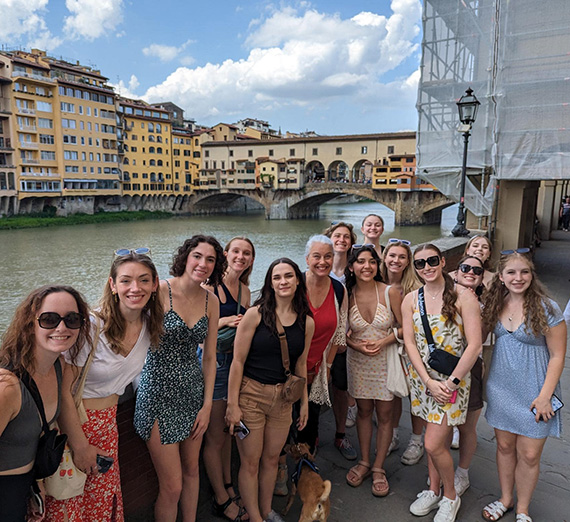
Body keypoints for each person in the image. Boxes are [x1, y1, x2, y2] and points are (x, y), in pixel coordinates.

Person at [46, 249, 164, 521]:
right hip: (76, 427)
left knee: (100, 504)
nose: (135, 288)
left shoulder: (150, 325)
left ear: (155, 284)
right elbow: (64, 389)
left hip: (108, 426)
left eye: (144, 280)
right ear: (113, 285)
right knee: (69, 505)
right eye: (126, 280)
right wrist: (80, 446)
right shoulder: (90, 326)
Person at [134, 235, 223, 522]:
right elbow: (124, 316)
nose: (203, 264)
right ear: (185, 257)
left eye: (210, 259)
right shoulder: (159, 291)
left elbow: (209, 358)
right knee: (171, 486)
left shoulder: (212, 301)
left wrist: (207, 405)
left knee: (192, 470)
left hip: (193, 395)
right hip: (157, 394)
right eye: (198, 256)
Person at [225, 258, 314, 522]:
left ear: (298, 280)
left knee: (272, 459)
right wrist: (232, 405)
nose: (283, 282)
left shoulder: (306, 322)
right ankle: (254, 517)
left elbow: (300, 365)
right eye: (277, 277)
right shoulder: (255, 314)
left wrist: (304, 403)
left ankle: (265, 511)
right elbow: (237, 361)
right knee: (250, 462)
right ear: (270, 283)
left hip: (284, 401)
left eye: (288, 276)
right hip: (251, 395)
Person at [481, 250, 566, 522]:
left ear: (532, 274)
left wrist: (545, 397)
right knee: (504, 448)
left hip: (535, 392)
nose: (519, 278)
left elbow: (557, 356)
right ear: (501, 277)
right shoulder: (495, 303)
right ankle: (506, 499)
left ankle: (523, 509)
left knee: (529, 455)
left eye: (524, 272)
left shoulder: (547, 308)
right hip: (501, 387)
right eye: (511, 272)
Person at [402, 244, 482, 522]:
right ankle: (433, 489)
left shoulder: (463, 296)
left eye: (432, 260)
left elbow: (474, 345)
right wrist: (425, 380)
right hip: (423, 380)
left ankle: (450, 496)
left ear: (443, 260)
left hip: (452, 382)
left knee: (433, 444)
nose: (427, 267)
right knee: (434, 436)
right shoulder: (411, 298)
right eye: (420, 263)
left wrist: (452, 382)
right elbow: (409, 342)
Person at [0, 285, 90, 521]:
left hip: (22, 487)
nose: (62, 327)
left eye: (72, 319)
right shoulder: (7, 387)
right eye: (49, 320)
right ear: (31, 323)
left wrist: (33, 485)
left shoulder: (58, 367)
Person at [202, 237, 255, 521]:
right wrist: (223, 322)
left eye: (246, 253)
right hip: (213, 365)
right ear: (226, 254)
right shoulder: (210, 287)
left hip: (234, 364)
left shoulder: (245, 291)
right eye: (236, 251)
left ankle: (228, 486)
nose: (241, 257)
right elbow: (196, 331)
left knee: (227, 433)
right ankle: (222, 499)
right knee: (215, 438)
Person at [344, 245, 403, 497]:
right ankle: (365, 461)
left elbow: (404, 328)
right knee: (363, 411)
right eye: (360, 262)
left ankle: (379, 467)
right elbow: (341, 332)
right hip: (358, 362)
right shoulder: (347, 294)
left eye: (371, 261)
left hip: (385, 361)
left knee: (386, 414)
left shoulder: (390, 292)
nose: (366, 266)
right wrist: (354, 344)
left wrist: (383, 341)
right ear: (351, 267)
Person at [299, 235, 348, 452]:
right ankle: (280, 470)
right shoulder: (294, 284)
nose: (323, 262)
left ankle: (306, 467)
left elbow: (339, 333)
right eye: (317, 256)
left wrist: (327, 366)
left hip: (317, 369)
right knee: (284, 423)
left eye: (328, 256)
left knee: (311, 420)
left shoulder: (339, 290)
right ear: (307, 259)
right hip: (289, 366)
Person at [380, 239, 425, 466]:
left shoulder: (415, 290)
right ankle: (394, 434)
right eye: (392, 256)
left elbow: (415, 327)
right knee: (394, 391)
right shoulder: (376, 284)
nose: (396, 261)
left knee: (416, 394)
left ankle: (417, 440)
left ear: (408, 262)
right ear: (384, 258)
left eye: (401, 257)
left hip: (412, 348)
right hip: (387, 350)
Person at [451, 255, 486, 497]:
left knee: (467, 427)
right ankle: (439, 472)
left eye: (477, 270)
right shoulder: (441, 296)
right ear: (456, 272)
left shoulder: (487, 302)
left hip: (472, 367)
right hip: (444, 366)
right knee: (440, 427)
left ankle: (462, 472)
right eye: (466, 268)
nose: (471, 272)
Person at [323, 221, 358, 460]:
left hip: (344, 338)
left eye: (346, 237)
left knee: (340, 387)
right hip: (320, 337)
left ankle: (340, 433)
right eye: (337, 236)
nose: (342, 240)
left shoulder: (353, 272)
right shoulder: (320, 266)